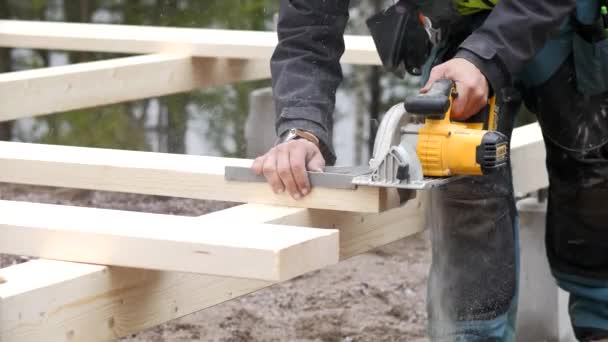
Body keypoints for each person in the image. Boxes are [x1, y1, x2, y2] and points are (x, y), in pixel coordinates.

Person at [252, 0, 608, 340]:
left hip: (570, 22)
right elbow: (308, 29)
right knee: (460, 168)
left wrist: (484, 56)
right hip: (459, 24)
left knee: (592, 170)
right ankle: (470, 331)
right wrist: (301, 128)